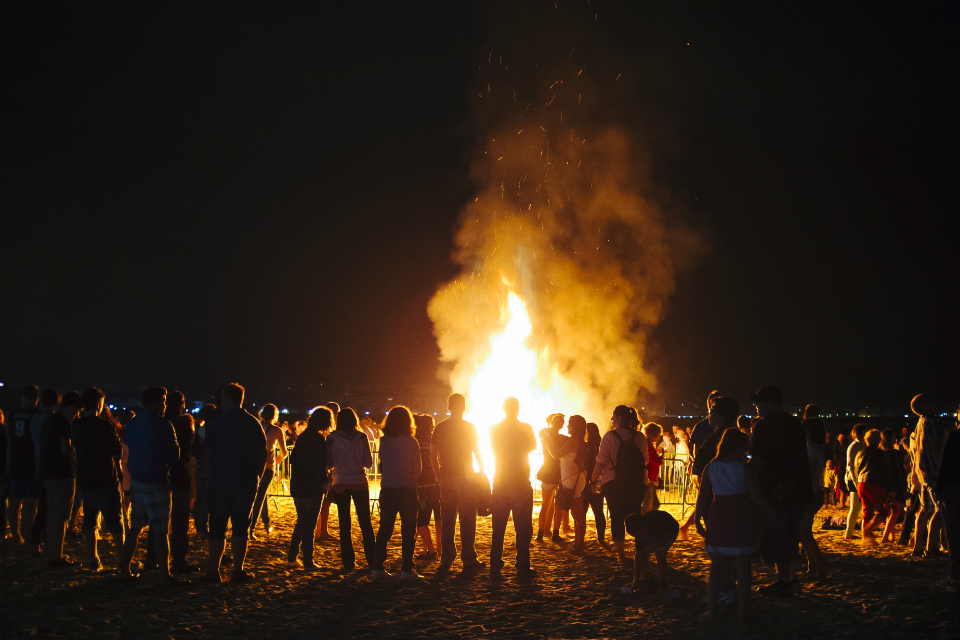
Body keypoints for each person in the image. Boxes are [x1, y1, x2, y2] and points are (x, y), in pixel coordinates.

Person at [697, 428, 775, 619]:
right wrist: (771, 512)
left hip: (719, 514)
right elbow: (755, 496)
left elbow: (702, 496)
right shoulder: (743, 467)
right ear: (739, 447)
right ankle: (742, 611)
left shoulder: (711, 467)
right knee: (743, 567)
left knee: (716, 567)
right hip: (740, 514)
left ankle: (713, 610)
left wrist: (697, 520)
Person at [748, 386, 812, 595]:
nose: (756, 406)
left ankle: (784, 580)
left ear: (771, 402)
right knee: (791, 535)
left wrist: (743, 473)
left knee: (777, 535)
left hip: (776, 490)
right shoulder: (795, 423)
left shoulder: (764, 427)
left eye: (759, 403)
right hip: (799, 487)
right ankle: (791, 579)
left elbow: (758, 460)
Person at [203, 383, 267, 583]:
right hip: (246, 481)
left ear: (228, 399)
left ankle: (214, 570)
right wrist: (257, 475)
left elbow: (207, 454)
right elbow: (261, 454)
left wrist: (209, 476)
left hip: (220, 480)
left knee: (217, 526)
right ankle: (237, 570)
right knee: (241, 526)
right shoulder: (252, 422)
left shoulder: (218, 423)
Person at [116, 387, 181, 583]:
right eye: (162, 400)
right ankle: (164, 575)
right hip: (156, 480)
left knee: (135, 528)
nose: (164, 404)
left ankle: (124, 569)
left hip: (137, 480)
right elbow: (175, 455)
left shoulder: (133, 423)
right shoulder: (163, 424)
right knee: (161, 530)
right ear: (153, 402)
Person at [71, 387, 125, 571]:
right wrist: (119, 471)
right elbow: (116, 450)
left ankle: (93, 558)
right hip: (105, 476)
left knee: (89, 519)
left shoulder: (76, 426)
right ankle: (121, 558)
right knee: (115, 521)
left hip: (85, 477)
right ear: (99, 404)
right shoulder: (104, 425)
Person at [430, 393, 485, 572]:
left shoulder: (440, 428)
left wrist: (438, 476)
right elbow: (477, 452)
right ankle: (468, 558)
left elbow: (432, 455)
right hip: (466, 476)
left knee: (447, 518)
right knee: (468, 517)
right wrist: (482, 473)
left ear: (448, 407)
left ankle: (446, 559)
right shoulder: (470, 427)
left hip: (447, 475)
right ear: (464, 407)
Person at [591, 405, 648, 564]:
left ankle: (621, 554)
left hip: (614, 483)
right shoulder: (640, 437)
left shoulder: (609, 437)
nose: (611, 419)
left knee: (616, 516)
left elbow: (601, 460)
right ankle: (640, 549)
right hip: (638, 483)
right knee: (636, 514)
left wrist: (593, 479)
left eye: (613, 416)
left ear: (620, 418)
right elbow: (645, 459)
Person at [147, 391, 196, 573]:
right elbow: (184, 456)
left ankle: (151, 559)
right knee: (180, 520)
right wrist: (191, 480)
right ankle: (178, 560)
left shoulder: (158, 423)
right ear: (181, 405)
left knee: (157, 521)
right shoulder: (183, 424)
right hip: (179, 477)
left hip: (160, 474)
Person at [488, 397, 538, 577]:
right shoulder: (525, 428)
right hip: (520, 481)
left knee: (498, 527)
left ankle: (495, 565)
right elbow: (532, 445)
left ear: (503, 409)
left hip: (500, 481)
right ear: (517, 409)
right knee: (523, 527)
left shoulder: (494, 429)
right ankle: (523, 566)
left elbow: (493, 449)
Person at [373, 406, 422, 580]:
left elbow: (382, 465)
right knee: (408, 531)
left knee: (385, 529)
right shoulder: (411, 442)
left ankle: (378, 568)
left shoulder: (384, 441)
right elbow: (418, 469)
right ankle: (407, 570)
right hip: (407, 489)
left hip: (387, 489)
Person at [681, 396, 740, 540]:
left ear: (721, 416)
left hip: (716, 503)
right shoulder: (736, 439)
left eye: (712, 411)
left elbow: (704, 477)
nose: (709, 414)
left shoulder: (718, 442)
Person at [326, 407, 376, 572]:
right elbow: (368, 463)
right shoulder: (361, 437)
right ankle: (371, 559)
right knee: (365, 523)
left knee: (344, 523)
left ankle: (348, 561)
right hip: (359, 481)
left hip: (340, 482)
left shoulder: (331, 438)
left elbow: (329, 463)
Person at [286, 406, 331, 571]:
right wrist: (324, 481)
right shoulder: (318, 440)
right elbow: (317, 464)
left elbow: (293, 460)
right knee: (309, 525)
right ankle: (308, 561)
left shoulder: (303, 437)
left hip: (297, 484)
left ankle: (292, 557)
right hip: (311, 486)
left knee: (302, 522)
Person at [40, 390, 81, 567]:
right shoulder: (64, 422)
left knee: (52, 515)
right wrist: (78, 454)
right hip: (62, 473)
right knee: (61, 516)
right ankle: (56, 556)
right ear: (72, 406)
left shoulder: (49, 419)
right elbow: (66, 448)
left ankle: (50, 553)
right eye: (77, 409)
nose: (77, 413)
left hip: (48, 472)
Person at [908, 394, 948, 558]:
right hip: (932, 472)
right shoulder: (930, 423)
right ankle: (931, 549)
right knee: (941, 510)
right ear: (924, 406)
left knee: (925, 510)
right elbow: (932, 447)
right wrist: (942, 468)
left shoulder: (920, 423)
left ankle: (918, 547)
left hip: (922, 471)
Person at [547, 414, 589, 554]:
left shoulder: (573, 441)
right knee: (577, 513)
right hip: (574, 480)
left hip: (572, 482)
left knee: (578, 514)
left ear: (574, 427)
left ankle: (579, 546)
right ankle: (577, 544)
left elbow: (556, 454)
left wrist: (547, 441)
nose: (567, 427)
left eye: (569, 424)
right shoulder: (579, 441)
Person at [6, 384, 40, 546]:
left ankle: (15, 535)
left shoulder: (12, 415)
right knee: (30, 502)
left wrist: (8, 464)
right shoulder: (37, 414)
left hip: (16, 461)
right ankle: (28, 537)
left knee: (14, 501)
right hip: (32, 462)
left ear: (23, 396)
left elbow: (9, 442)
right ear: (37, 398)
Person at [250, 403, 288, 540]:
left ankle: (266, 523)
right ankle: (252, 528)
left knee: (260, 495)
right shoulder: (277, 430)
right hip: (267, 467)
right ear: (274, 415)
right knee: (260, 497)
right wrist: (274, 462)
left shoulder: (254, 426)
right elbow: (284, 453)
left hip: (253, 465)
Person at [29, 389, 60, 553]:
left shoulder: (35, 418)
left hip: (38, 466)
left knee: (42, 508)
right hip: (51, 468)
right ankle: (47, 542)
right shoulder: (53, 420)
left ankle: (35, 542)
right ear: (57, 402)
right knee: (51, 509)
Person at [799, 418, 828, 579]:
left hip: (811, 493)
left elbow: (807, 474)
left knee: (803, 532)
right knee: (804, 532)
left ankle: (820, 564)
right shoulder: (816, 449)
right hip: (814, 492)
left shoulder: (812, 450)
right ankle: (813, 567)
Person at [625, 510, 679, 593]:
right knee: (641, 553)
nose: (639, 538)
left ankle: (662, 582)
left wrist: (647, 548)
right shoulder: (639, 530)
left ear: (645, 527)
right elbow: (638, 554)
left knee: (659, 553)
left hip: (669, 531)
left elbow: (662, 541)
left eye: (640, 535)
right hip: (654, 533)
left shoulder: (657, 524)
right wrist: (636, 578)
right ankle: (649, 581)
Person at [935, 408, 960, 584]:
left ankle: (956, 573)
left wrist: (939, 487)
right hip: (953, 487)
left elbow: (945, 464)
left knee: (954, 532)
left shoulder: (955, 436)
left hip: (953, 488)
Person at [414, 414, 442, 560]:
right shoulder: (434, 440)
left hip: (422, 486)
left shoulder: (415, 442)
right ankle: (439, 548)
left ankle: (430, 550)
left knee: (422, 520)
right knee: (439, 517)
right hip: (436, 484)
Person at [190, 404, 218, 539]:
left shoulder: (199, 429)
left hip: (199, 465)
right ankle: (203, 528)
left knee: (199, 499)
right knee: (206, 500)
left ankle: (198, 529)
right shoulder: (210, 429)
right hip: (207, 465)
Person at [535, 413, 564, 542]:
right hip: (559, 472)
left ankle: (541, 532)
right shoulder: (563, 438)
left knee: (546, 504)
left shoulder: (544, 434)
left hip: (547, 471)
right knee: (557, 505)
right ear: (562, 425)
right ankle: (555, 533)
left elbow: (543, 431)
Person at [315, 401, 341, 541]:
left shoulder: (331, 430)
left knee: (326, 503)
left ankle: (322, 530)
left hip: (328, 471)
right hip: (324, 470)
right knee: (322, 502)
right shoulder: (324, 433)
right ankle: (320, 532)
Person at [582, 422, 608, 548]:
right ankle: (601, 538)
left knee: (582, 511)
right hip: (598, 481)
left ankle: (580, 538)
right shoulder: (601, 446)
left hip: (586, 482)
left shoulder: (586, 447)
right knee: (598, 511)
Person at [844, 424, 868, 539]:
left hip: (860, 478)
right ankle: (849, 533)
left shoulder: (863, 446)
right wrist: (855, 482)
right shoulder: (854, 446)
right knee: (854, 507)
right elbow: (850, 466)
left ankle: (857, 531)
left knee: (860, 507)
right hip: (854, 479)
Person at [643, 423, 664, 514]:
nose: (659, 437)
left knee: (653, 503)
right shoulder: (648, 446)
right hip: (648, 479)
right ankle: (646, 521)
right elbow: (654, 462)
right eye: (658, 435)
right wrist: (662, 456)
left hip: (648, 478)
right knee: (651, 504)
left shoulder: (647, 444)